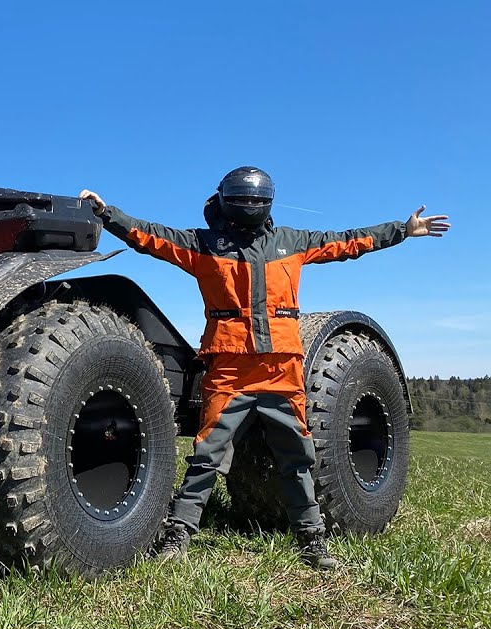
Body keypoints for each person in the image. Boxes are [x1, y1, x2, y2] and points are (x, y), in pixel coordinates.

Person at [79, 168, 449, 570]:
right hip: (229, 368)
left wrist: (402, 229)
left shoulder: (292, 242)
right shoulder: (202, 244)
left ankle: (312, 542)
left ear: (267, 202)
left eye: (257, 198)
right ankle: (179, 536)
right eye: (243, 197)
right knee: (206, 456)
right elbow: (148, 235)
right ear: (224, 200)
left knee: (297, 457)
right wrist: (106, 212)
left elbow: (347, 242)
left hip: (281, 370)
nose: (251, 203)